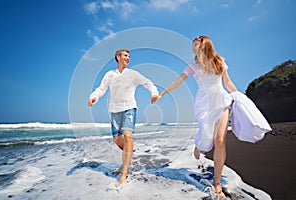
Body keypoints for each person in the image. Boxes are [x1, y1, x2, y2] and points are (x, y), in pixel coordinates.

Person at [155, 36, 271, 197]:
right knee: (206, 135)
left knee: (220, 140)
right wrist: (162, 94)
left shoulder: (219, 62)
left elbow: (228, 82)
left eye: (195, 45)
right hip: (204, 105)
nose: (192, 48)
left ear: (204, 46)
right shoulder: (193, 66)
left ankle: (216, 182)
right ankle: (198, 145)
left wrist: (240, 97)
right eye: (193, 45)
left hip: (222, 101)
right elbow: (178, 81)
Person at [88, 48, 159, 185]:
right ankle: (129, 153)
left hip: (129, 108)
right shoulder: (110, 75)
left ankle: (124, 172)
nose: (128, 58)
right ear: (118, 57)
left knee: (128, 136)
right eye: (125, 56)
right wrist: (93, 97)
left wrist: (154, 93)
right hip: (114, 110)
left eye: (129, 56)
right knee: (117, 139)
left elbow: (147, 82)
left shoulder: (133, 74)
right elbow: (101, 88)